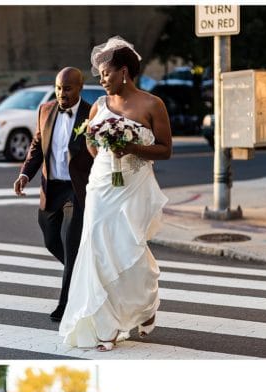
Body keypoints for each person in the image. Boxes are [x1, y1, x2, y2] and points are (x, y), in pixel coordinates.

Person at [59, 37, 171, 351]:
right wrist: (100, 141)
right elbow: (93, 149)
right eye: (99, 74)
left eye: (106, 73)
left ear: (123, 71)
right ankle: (105, 327)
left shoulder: (152, 105)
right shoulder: (97, 106)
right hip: (102, 186)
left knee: (128, 248)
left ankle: (146, 306)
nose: (101, 78)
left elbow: (165, 149)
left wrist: (132, 147)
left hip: (134, 185)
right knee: (96, 248)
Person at [14, 67, 94, 322]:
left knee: (70, 246)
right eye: (59, 88)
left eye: (67, 88)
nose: (62, 94)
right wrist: (25, 174)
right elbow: (37, 146)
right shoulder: (45, 110)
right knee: (51, 240)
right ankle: (85, 274)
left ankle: (66, 305)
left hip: (77, 189)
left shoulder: (91, 113)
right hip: (52, 188)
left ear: (80, 88)